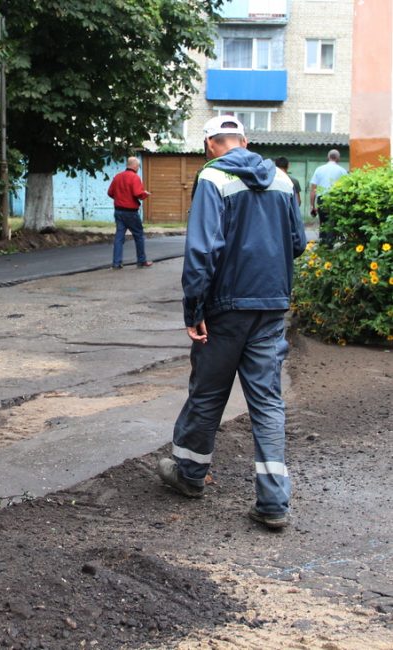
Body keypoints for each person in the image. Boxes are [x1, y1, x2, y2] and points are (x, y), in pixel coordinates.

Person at [157, 115, 307, 530]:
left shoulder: (213, 178)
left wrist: (195, 310)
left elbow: (202, 251)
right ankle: (274, 503)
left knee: (207, 394)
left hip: (225, 308)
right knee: (267, 401)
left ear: (209, 145)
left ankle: (188, 476)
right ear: (244, 140)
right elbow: (297, 243)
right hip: (272, 306)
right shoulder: (280, 179)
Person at [107, 156, 153, 269]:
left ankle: (116, 263)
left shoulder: (117, 177)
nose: (138, 168)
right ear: (134, 165)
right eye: (138, 166)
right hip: (131, 212)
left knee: (119, 237)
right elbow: (138, 193)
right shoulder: (135, 178)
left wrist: (119, 198)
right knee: (139, 235)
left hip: (118, 211)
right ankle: (141, 261)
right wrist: (145, 194)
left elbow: (110, 192)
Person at [309, 149, 347, 245]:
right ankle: (330, 244)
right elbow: (346, 188)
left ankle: (323, 243)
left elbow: (313, 189)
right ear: (338, 158)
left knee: (323, 221)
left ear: (328, 157)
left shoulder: (319, 169)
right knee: (333, 222)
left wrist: (312, 206)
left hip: (322, 199)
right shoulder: (342, 171)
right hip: (336, 199)